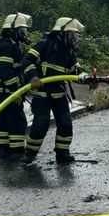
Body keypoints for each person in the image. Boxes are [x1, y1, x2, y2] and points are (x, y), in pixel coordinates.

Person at [20, 17, 85, 164]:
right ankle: (30, 154)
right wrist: (33, 77)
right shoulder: (44, 44)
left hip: (59, 93)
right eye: (71, 34)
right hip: (43, 94)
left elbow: (74, 70)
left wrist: (86, 79)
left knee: (66, 124)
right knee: (40, 125)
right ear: (61, 32)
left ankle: (62, 153)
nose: (73, 37)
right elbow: (27, 61)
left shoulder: (69, 51)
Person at [0, 12, 32, 161]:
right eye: (21, 31)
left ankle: (4, 150)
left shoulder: (8, 43)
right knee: (17, 120)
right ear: (12, 30)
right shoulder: (7, 46)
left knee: (5, 119)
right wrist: (15, 92)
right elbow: (4, 70)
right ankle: (16, 151)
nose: (23, 34)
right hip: (9, 90)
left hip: (5, 90)